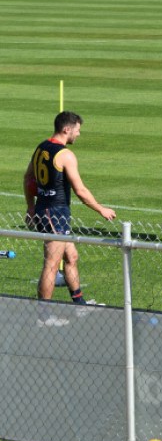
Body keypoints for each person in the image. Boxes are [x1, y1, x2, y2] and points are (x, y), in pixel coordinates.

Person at [24, 111, 116, 305]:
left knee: (72, 256)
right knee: (51, 264)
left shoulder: (41, 148)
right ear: (67, 129)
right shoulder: (65, 155)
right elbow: (80, 191)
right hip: (54, 213)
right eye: (77, 130)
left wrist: (31, 207)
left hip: (47, 210)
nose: (79, 134)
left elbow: (28, 177)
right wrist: (101, 210)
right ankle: (44, 314)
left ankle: (79, 304)